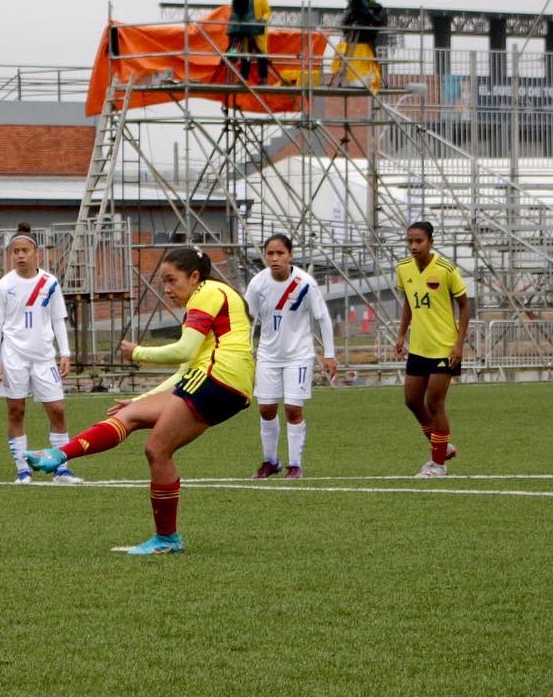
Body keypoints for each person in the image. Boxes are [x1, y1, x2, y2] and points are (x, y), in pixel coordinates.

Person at [26, 247, 254, 555]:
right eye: (164, 282)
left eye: (172, 280)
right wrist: (140, 398)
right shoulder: (212, 295)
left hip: (219, 379)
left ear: (195, 276)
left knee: (157, 449)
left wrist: (138, 353)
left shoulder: (207, 292)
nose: (168, 289)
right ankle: (60, 454)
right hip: (220, 380)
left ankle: (167, 539)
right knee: (131, 415)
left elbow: (184, 352)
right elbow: (188, 369)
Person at [0, 223, 82, 485]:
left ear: (35, 252)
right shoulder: (4, 285)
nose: (20, 255)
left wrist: (65, 352)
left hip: (43, 357)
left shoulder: (49, 283)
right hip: (13, 357)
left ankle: (61, 468)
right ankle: (22, 469)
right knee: (16, 410)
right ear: (10, 255)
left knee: (57, 410)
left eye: (25, 250)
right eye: (15, 251)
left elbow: (59, 319)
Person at [244, 233, 337, 479]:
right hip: (267, 355)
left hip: (299, 355)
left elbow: (322, 317)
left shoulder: (305, 283)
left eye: (280, 253)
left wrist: (329, 354)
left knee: (293, 409)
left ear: (290, 255)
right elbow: (248, 320)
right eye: (270, 253)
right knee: (265, 408)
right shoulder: (257, 284)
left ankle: (295, 465)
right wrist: (245, 350)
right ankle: (270, 461)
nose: (274, 259)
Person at [392, 221, 470, 477]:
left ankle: (438, 464)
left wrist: (459, 344)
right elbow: (408, 303)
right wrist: (402, 334)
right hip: (419, 347)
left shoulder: (446, 268)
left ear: (430, 242)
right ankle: (442, 445)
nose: (413, 246)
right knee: (412, 401)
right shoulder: (403, 269)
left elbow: (464, 306)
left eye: (419, 241)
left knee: (434, 403)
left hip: (444, 348)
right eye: (410, 241)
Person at [332, 0, 388, 90]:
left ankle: (363, 79)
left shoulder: (376, 8)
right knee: (347, 57)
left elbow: (379, 23)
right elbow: (344, 26)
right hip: (350, 47)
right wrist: (355, 12)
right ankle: (347, 79)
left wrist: (366, 11)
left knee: (364, 65)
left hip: (366, 47)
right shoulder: (350, 9)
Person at [225, 0, 271, 86]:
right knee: (246, 55)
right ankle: (243, 78)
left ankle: (263, 79)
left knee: (261, 55)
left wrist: (263, 20)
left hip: (258, 31)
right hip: (245, 29)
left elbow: (267, 11)